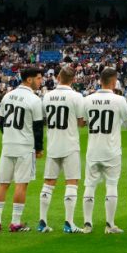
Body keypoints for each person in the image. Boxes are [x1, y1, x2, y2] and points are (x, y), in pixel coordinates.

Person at [0, 67, 44, 233]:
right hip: (24, 146)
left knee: (3, 184)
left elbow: (1, 122)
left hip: (8, 144)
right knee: (21, 185)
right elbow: (37, 128)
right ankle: (15, 222)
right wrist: (39, 148)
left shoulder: (7, 96)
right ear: (29, 80)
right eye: (38, 78)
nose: (40, 81)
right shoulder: (34, 100)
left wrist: (9, 136)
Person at [81, 68, 127, 234]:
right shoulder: (119, 99)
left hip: (93, 149)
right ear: (114, 81)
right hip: (111, 149)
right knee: (111, 185)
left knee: (90, 185)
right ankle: (110, 225)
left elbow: (83, 121)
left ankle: (87, 224)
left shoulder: (87, 99)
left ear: (99, 80)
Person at [41, 66, 85, 234]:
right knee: (72, 182)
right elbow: (81, 122)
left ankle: (42, 222)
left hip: (53, 144)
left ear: (58, 77)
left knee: (48, 183)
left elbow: (45, 118)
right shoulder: (76, 96)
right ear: (73, 80)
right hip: (70, 144)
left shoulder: (47, 96)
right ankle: (69, 223)